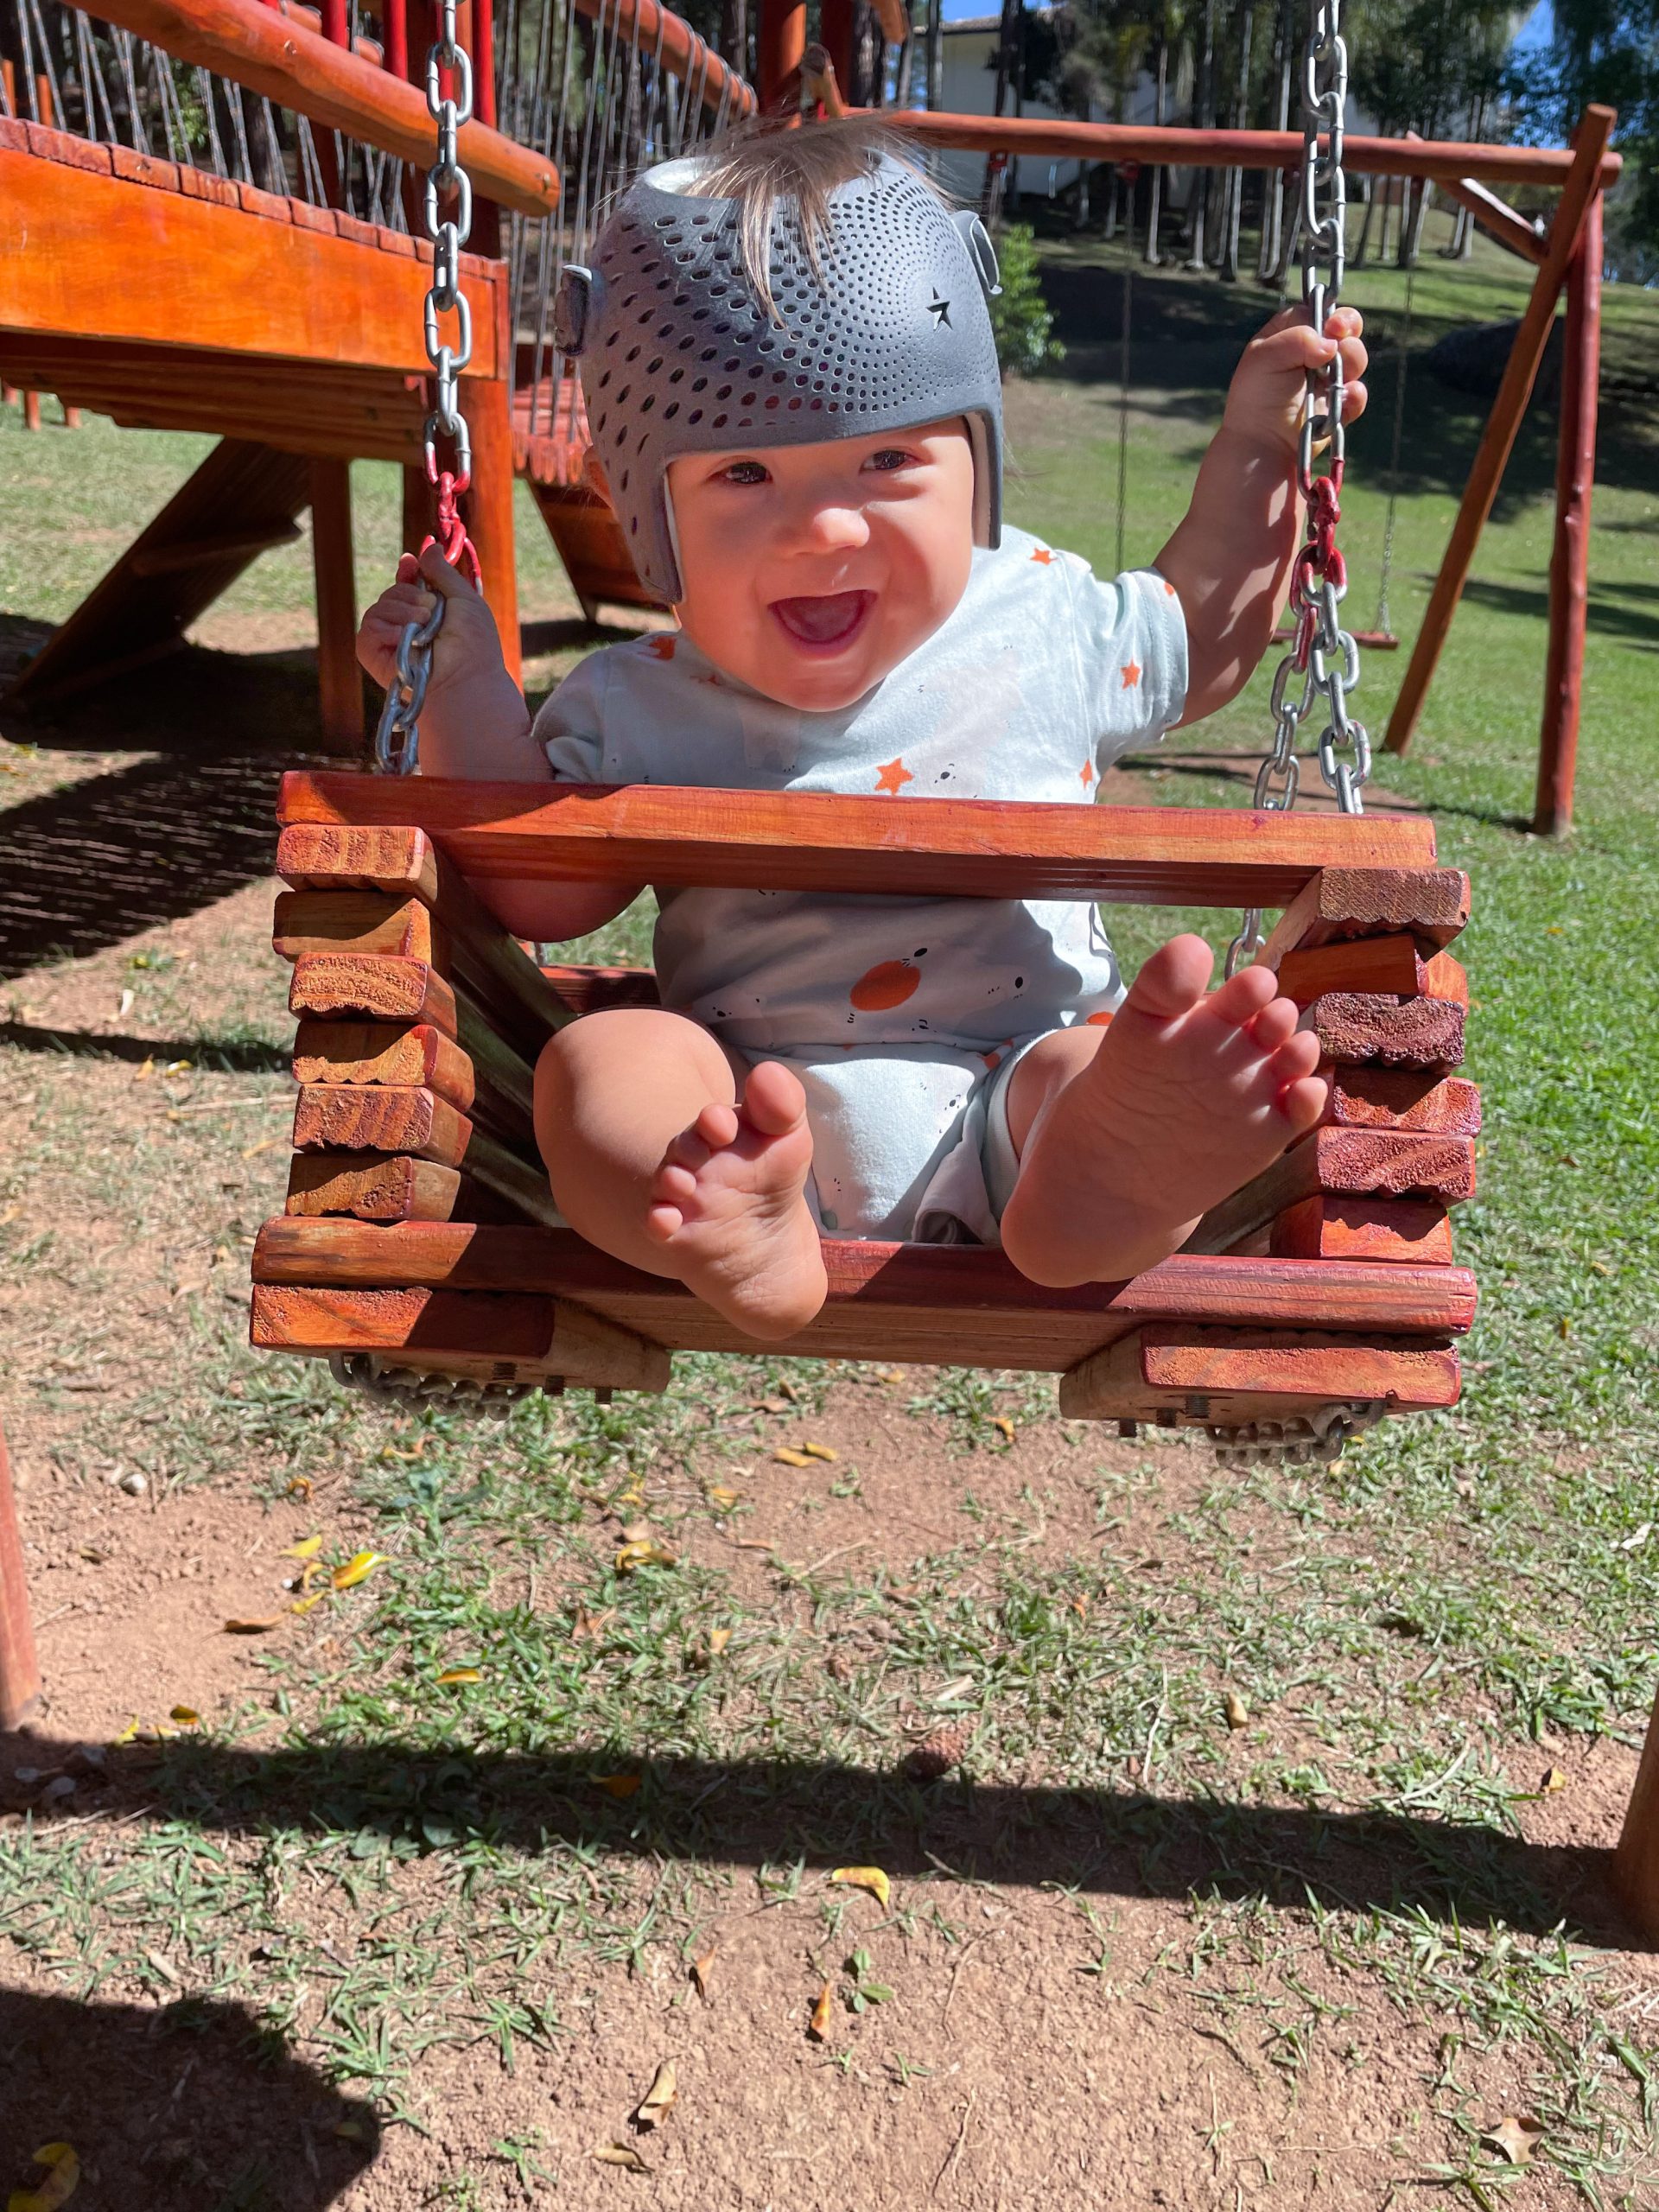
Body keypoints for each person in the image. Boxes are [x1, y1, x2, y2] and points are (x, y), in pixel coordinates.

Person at [358, 118, 1368, 1343]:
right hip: (737, 1109)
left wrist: (1261, 448)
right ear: (654, 521)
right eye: (743, 477)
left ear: (975, 470)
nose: (822, 530)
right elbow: (536, 893)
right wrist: (459, 680)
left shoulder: (1040, 617)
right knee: (606, 1066)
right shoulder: (642, 693)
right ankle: (727, 1226)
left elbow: (1204, 637)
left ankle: (1111, 1179)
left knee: (1082, 1072)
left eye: (887, 459)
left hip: (1020, 1095)